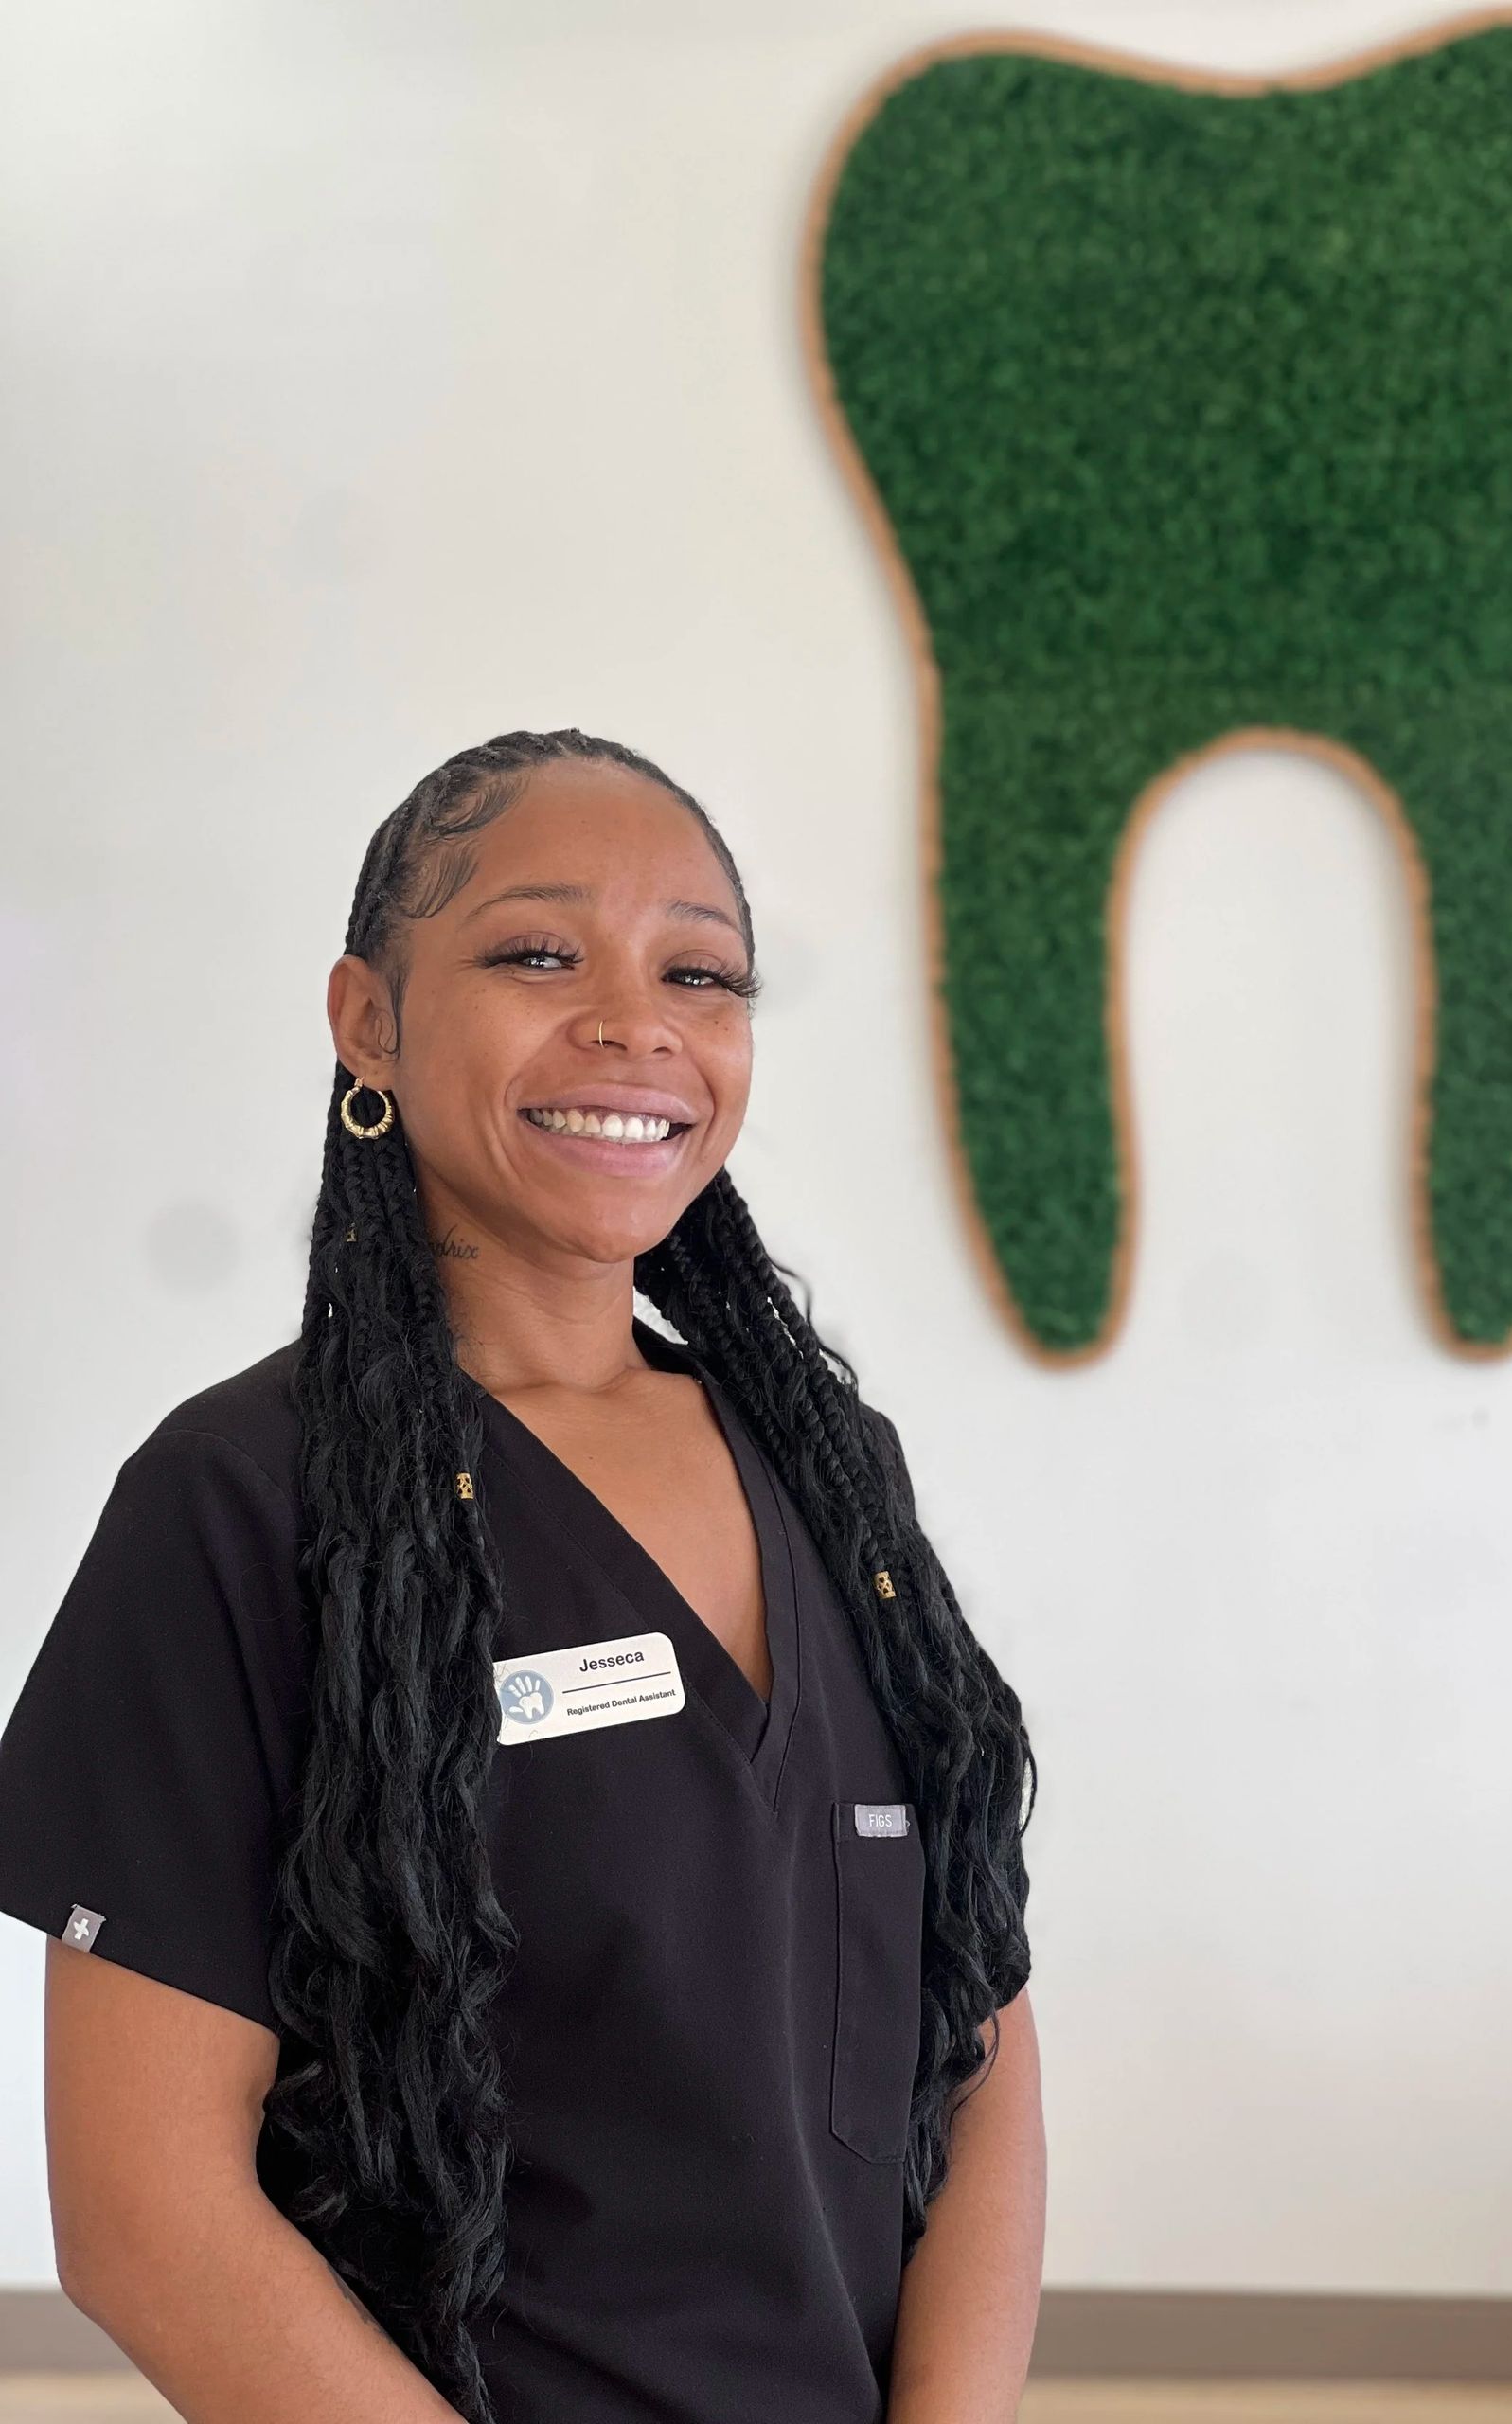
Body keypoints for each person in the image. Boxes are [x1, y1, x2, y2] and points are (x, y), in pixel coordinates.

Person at [0, 728, 1043, 2423]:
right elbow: (146, 2220)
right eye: (537, 952)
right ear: (368, 1022)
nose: (638, 1023)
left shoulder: (833, 1470)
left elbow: (978, 2038)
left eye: (700, 973)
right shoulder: (242, 1504)